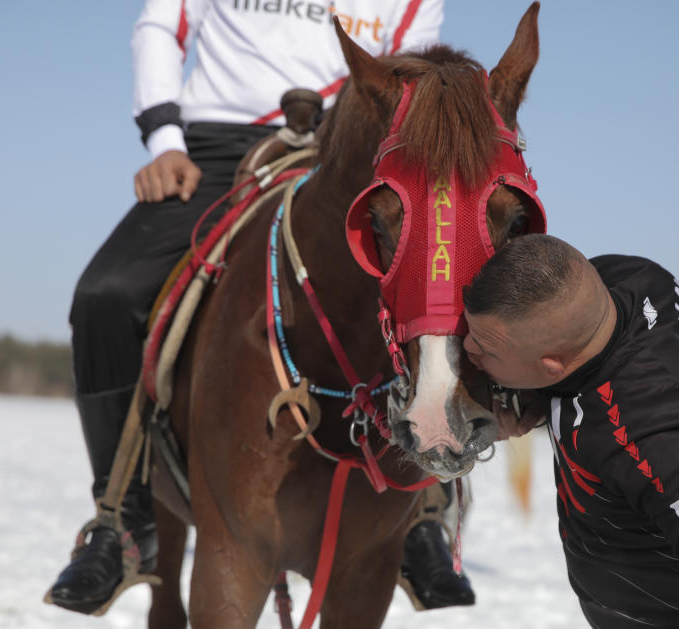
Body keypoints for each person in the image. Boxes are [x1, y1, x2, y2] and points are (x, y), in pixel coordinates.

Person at [48, 0, 474, 614]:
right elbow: (161, 27)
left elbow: (413, 82)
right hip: (216, 149)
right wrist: (166, 142)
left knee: (426, 279)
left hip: (352, 149)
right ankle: (122, 519)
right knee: (105, 297)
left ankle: (421, 513)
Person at [462, 234, 679, 628]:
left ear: (552, 365)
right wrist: (534, 397)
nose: (468, 347)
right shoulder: (630, 278)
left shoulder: (662, 437)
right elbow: (559, 313)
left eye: (484, 349)